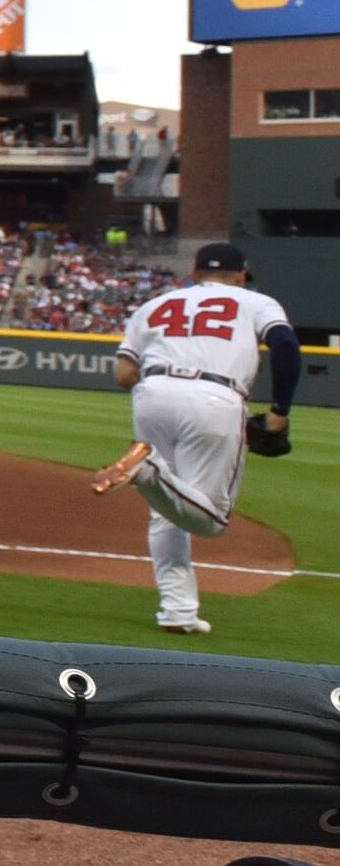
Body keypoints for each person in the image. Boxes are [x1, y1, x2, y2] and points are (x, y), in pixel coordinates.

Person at [94, 240, 299, 634]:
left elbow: (123, 375)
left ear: (194, 273)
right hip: (215, 397)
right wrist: (279, 412)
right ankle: (148, 470)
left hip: (151, 396)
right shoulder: (255, 301)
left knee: (167, 510)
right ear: (241, 275)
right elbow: (286, 345)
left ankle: (177, 612)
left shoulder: (153, 305)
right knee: (212, 522)